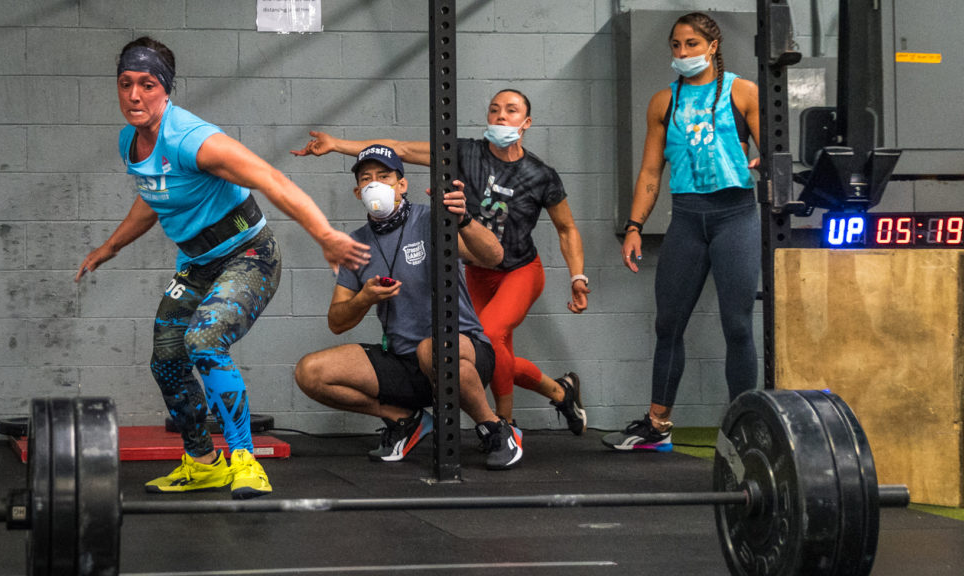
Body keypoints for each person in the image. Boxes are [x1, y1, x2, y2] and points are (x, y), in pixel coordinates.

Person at [75, 37, 370, 498]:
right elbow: (154, 197)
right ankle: (202, 462)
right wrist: (109, 247)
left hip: (249, 255)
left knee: (205, 340)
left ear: (165, 89)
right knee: (167, 360)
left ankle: (244, 460)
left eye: (147, 85)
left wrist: (324, 233)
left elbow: (271, 178)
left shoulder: (194, 140)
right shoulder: (129, 141)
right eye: (126, 84)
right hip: (197, 263)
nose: (134, 96)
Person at [291, 89, 590, 435]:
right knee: (479, 352)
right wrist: (336, 144)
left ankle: (505, 424)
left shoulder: (540, 174)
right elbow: (399, 150)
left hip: (517, 267)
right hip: (473, 269)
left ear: (526, 122)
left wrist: (578, 276)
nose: (501, 117)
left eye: (511, 111)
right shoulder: (466, 153)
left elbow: (565, 229)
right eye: (494, 110)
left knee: (488, 337)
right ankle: (559, 390)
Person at [294, 145, 524, 470]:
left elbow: (493, 257)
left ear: (402, 184)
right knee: (310, 372)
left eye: (384, 176)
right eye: (367, 179)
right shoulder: (355, 244)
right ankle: (405, 420)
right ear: (358, 191)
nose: (376, 184)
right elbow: (337, 321)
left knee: (432, 349)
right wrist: (365, 298)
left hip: (464, 354)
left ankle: (494, 427)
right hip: (404, 362)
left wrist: (465, 221)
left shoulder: (432, 220)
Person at [602, 12, 761, 452]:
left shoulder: (742, 91)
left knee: (738, 326)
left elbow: (773, 152)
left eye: (692, 44)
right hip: (688, 220)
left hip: (736, 215)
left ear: (712, 46)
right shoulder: (663, 102)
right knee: (668, 323)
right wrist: (635, 226)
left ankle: (742, 431)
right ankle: (657, 426)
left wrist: (763, 162)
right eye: (676, 45)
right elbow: (651, 171)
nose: (683, 52)